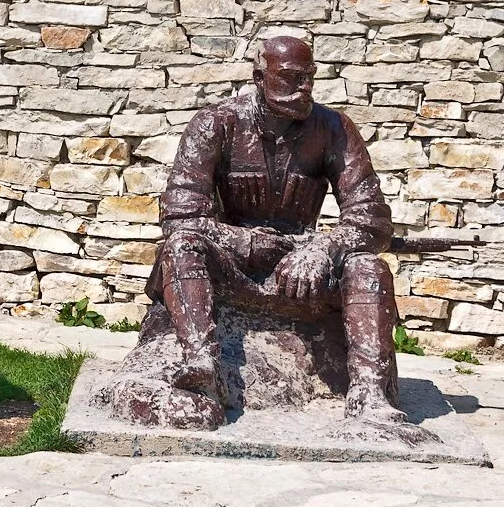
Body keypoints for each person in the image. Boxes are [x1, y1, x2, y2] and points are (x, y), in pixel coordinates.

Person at [144, 36, 405, 428]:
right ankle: (202, 363)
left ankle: (368, 394)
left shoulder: (334, 128)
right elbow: (181, 216)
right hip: (234, 266)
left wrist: (322, 250)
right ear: (259, 77)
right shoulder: (216, 123)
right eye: (290, 78)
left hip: (303, 273)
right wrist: (243, 241)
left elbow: (372, 218)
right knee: (181, 246)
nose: (304, 89)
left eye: (309, 78)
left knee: (370, 269)